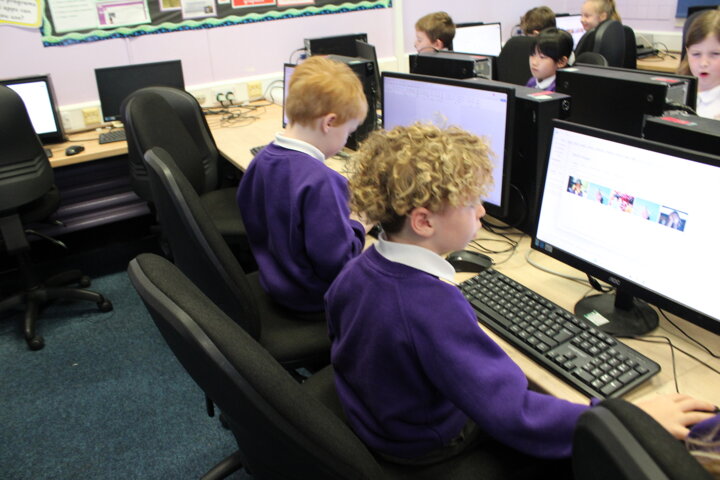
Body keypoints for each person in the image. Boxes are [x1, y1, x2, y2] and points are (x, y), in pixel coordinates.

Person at [326, 123, 716, 471]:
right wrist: (627, 418)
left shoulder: (358, 268)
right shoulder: (432, 307)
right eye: (471, 203)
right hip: (422, 443)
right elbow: (515, 414)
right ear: (424, 221)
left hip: (373, 415)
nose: (482, 211)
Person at [236, 56, 368, 314]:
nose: (346, 141)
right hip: (313, 300)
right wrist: (360, 223)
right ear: (329, 122)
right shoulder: (321, 182)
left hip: (275, 282)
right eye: (348, 132)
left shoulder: (261, 160)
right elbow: (339, 264)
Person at [677, 9, 720, 120]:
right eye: (696, 54)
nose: (703, 63)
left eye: (715, 54)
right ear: (687, 53)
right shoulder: (676, 92)